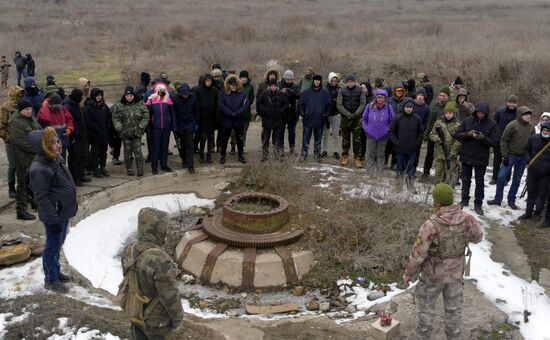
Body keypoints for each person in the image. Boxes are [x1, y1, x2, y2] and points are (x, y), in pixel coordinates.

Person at [403, 183, 483, 340]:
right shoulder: (467, 219)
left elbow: (418, 254)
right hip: (455, 275)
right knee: (454, 310)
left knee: (426, 308)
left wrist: (408, 274)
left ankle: (423, 336)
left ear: (437, 203)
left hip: (432, 276)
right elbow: (478, 237)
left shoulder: (431, 225)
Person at [121, 207, 184, 339]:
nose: (166, 231)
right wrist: (178, 320)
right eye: (163, 228)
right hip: (157, 323)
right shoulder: (160, 260)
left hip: (135, 312)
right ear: (158, 230)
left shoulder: (129, 249)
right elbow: (170, 296)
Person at [28, 127, 77, 293]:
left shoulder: (54, 159)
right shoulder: (39, 168)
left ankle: (55, 271)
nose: (59, 144)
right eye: (54, 142)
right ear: (45, 146)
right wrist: (53, 219)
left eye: (58, 140)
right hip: (54, 215)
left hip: (62, 212)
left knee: (58, 244)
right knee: (52, 247)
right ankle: (51, 279)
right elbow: (41, 198)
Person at [454, 102, 499, 216]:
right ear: (475, 112)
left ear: (486, 113)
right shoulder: (468, 120)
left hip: (481, 158)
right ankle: (464, 199)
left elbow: (494, 142)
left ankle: (478, 204)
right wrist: (468, 134)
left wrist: (483, 138)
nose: (480, 115)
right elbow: (457, 135)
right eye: (479, 113)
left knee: (479, 182)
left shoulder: (492, 124)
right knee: (465, 179)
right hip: (466, 155)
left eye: (483, 113)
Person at [488, 107, 534, 209]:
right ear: (521, 115)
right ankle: (497, 199)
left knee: (517, 180)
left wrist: (529, 157)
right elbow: (503, 140)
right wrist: (505, 155)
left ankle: (511, 200)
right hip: (511, 155)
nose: (528, 116)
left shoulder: (531, 127)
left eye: (529, 114)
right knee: (501, 177)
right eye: (526, 114)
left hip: (522, 158)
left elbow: (532, 143)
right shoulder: (512, 125)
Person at [9, 99, 42, 220]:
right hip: (23, 158)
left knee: (35, 182)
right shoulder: (15, 122)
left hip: (35, 157)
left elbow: (39, 132)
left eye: (30, 109)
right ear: (20, 110)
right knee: (22, 184)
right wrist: (38, 148)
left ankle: (35, 203)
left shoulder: (32, 119)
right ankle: (21, 211)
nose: (29, 111)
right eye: (26, 109)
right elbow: (20, 142)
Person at [111, 86, 149, 177]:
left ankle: (140, 169)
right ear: (125, 96)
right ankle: (129, 169)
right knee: (127, 153)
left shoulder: (140, 104)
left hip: (137, 133)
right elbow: (115, 118)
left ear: (133, 95)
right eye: (127, 96)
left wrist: (141, 127)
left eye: (131, 95)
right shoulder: (119, 105)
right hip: (125, 134)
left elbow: (146, 115)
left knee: (138, 152)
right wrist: (120, 128)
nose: (129, 97)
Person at [520, 121, 550, 228]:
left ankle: (537, 213)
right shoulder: (534, 138)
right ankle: (528, 212)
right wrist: (529, 161)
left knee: (541, 194)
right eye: (544, 130)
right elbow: (525, 150)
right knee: (531, 192)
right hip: (533, 171)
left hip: (546, 174)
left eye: (548, 131)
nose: (545, 132)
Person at [388, 98, 423, 191]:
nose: (409, 109)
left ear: (413, 108)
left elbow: (420, 133)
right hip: (400, 149)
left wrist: (417, 142)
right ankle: (398, 186)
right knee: (399, 168)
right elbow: (391, 132)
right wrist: (396, 142)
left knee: (410, 169)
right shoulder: (398, 118)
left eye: (411, 107)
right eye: (407, 107)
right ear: (404, 107)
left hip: (412, 149)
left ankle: (410, 186)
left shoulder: (417, 118)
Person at [298, 74, 332, 162]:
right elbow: (300, 103)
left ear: (320, 81)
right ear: (313, 81)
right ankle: (304, 154)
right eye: (315, 80)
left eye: (318, 80)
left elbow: (329, 105)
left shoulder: (325, 93)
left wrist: (326, 114)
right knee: (305, 139)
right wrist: (302, 113)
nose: (317, 82)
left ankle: (317, 155)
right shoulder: (306, 92)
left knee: (318, 140)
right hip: (308, 119)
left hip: (320, 119)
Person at [217, 75, 249, 164]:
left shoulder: (242, 94)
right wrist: (230, 113)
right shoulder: (223, 94)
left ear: (238, 85)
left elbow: (245, 105)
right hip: (226, 121)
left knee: (240, 139)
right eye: (232, 85)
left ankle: (241, 156)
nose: (233, 86)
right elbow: (221, 105)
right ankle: (223, 156)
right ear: (228, 85)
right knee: (224, 139)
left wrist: (237, 113)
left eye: (235, 85)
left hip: (238, 120)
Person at [0, 85, 25, 198]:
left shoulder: (22, 105)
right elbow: (1, 126)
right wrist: (8, 138)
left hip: (22, 140)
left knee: (23, 164)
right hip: (11, 141)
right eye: (18, 94)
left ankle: (22, 187)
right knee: (13, 165)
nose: (20, 96)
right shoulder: (5, 108)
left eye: (21, 94)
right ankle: (11, 188)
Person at [146, 83, 176, 174]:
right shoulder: (151, 100)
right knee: (156, 147)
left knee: (164, 147)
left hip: (166, 127)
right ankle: (154, 166)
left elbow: (172, 114)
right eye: (160, 90)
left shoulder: (168, 100)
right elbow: (147, 115)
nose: (162, 92)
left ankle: (164, 165)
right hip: (156, 127)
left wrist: (173, 125)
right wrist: (148, 128)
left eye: (163, 90)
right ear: (157, 91)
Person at [362, 89, 395, 172]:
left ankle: (380, 171)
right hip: (371, 135)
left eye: (382, 98)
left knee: (381, 154)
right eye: (379, 97)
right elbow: (364, 119)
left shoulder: (388, 107)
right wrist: (367, 130)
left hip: (383, 136)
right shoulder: (369, 106)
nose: (380, 99)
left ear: (385, 98)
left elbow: (392, 121)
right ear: (375, 97)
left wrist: (387, 131)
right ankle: (369, 171)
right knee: (370, 153)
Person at [429, 102, 461, 185]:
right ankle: (438, 192)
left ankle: (448, 192)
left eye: (450, 113)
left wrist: (453, 152)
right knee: (438, 175)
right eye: (447, 113)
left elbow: (459, 140)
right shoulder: (438, 123)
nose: (448, 115)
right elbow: (432, 134)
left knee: (450, 176)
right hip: (439, 153)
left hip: (450, 155)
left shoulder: (458, 125)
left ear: (454, 113)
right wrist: (438, 139)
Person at [337, 74, 366, 168]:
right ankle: (345, 156)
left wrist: (356, 114)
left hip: (356, 119)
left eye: (351, 81)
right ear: (346, 83)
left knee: (357, 139)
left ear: (354, 81)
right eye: (348, 82)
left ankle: (357, 158)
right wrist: (348, 114)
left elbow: (363, 103)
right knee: (345, 139)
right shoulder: (342, 90)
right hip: (346, 118)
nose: (350, 83)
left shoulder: (360, 90)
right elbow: (339, 105)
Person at [63, 89, 90, 186]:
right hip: (73, 137)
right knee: (75, 158)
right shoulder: (68, 106)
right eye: (80, 97)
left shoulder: (75, 104)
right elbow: (68, 123)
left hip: (80, 135)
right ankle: (75, 178)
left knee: (82, 156)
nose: (82, 99)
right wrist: (72, 137)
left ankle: (81, 175)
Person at [256, 78, 287, 161]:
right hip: (267, 121)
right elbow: (259, 104)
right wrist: (265, 110)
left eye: (275, 86)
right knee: (266, 140)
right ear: (269, 86)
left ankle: (277, 156)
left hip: (277, 121)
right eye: (272, 86)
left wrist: (281, 111)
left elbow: (285, 104)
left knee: (276, 140)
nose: (273, 87)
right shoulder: (264, 94)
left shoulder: (281, 94)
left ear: (277, 86)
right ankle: (265, 156)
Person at [423, 87, 451, 180]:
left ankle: (445, 175)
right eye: (441, 95)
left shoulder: (451, 107)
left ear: (448, 96)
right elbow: (430, 122)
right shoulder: (435, 106)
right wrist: (426, 134)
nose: (442, 97)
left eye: (444, 96)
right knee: (429, 154)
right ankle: (426, 173)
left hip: (446, 136)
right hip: (433, 134)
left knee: (445, 155)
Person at [37, 94, 74, 162]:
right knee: (53, 162)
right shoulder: (46, 110)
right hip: (52, 143)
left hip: (63, 141)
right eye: (54, 105)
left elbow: (70, 119)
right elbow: (43, 118)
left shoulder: (63, 109)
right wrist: (44, 107)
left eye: (58, 105)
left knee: (62, 161)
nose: (57, 107)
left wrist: (69, 128)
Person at [491, 95, 519, 184]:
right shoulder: (500, 111)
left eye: (514, 103)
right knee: (497, 159)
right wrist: (495, 136)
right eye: (510, 102)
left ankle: (506, 179)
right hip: (499, 139)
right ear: (507, 102)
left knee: (508, 160)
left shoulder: (518, 114)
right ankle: (495, 178)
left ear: (516, 104)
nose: (511, 105)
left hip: (511, 141)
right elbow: (494, 124)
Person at [84, 88, 111, 178]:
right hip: (94, 135)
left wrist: (107, 125)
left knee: (104, 153)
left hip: (104, 134)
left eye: (100, 95)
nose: (99, 97)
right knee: (95, 153)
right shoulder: (89, 107)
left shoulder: (104, 106)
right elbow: (88, 121)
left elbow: (109, 117)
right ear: (93, 96)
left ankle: (103, 167)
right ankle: (95, 170)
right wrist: (96, 128)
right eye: (97, 95)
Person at [173, 83, 198, 173]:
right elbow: (174, 114)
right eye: (183, 95)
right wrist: (174, 125)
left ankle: (191, 165)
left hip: (190, 124)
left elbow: (196, 111)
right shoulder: (175, 99)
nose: (185, 96)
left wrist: (196, 123)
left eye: (186, 94)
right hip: (180, 125)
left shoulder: (193, 98)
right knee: (181, 145)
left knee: (190, 145)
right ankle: (184, 159)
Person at [195, 74, 218, 164]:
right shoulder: (198, 90)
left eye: (210, 81)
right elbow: (196, 103)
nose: (208, 82)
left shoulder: (214, 91)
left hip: (212, 118)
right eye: (207, 81)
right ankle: (201, 155)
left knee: (210, 138)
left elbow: (217, 103)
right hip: (202, 118)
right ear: (204, 81)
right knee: (203, 137)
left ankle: (209, 155)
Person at [386, 82, 408, 169]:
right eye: (398, 91)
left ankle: (393, 163)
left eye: (401, 91)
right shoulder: (389, 100)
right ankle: (384, 162)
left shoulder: (406, 101)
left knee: (396, 146)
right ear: (394, 91)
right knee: (387, 145)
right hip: (389, 126)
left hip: (400, 128)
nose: (399, 92)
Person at [279, 70, 300, 155]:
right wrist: (281, 92)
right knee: (281, 132)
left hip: (292, 114)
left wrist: (290, 91)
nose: (289, 81)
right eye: (287, 79)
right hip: (282, 113)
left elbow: (298, 95)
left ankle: (292, 149)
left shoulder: (295, 86)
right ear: (284, 78)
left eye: (290, 80)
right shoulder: (280, 85)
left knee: (292, 133)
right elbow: (276, 96)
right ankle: (280, 149)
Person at [322, 72, 341, 160]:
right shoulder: (324, 89)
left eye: (335, 81)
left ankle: (336, 151)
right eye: (332, 81)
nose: (334, 82)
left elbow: (342, 101)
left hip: (336, 114)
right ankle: (324, 150)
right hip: (327, 114)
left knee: (336, 134)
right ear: (329, 80)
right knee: (325, 134)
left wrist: (338, 100)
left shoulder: (339, 89)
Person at [234, 70, 254, 151]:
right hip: (236, 112)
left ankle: (241, 147)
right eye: (242, 77)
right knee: (234, 131)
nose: (244, 79)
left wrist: (246, 103)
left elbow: (252, 99)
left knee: (244, 131)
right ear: (240, 78)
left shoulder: (250, 87)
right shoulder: (236, 85)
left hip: (246, 112)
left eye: (245, 77)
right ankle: (233, 146)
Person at [413, 88, 430, 169]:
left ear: (424, 97)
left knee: (417, 150)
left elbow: (426, 121)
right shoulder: (411, 104)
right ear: (416, 95)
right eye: (419, 95)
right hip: (409, 131)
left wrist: (421, 129)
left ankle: (414, 166)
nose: (420, 97)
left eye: (422, 95)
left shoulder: (426, 107)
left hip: (419, 132)